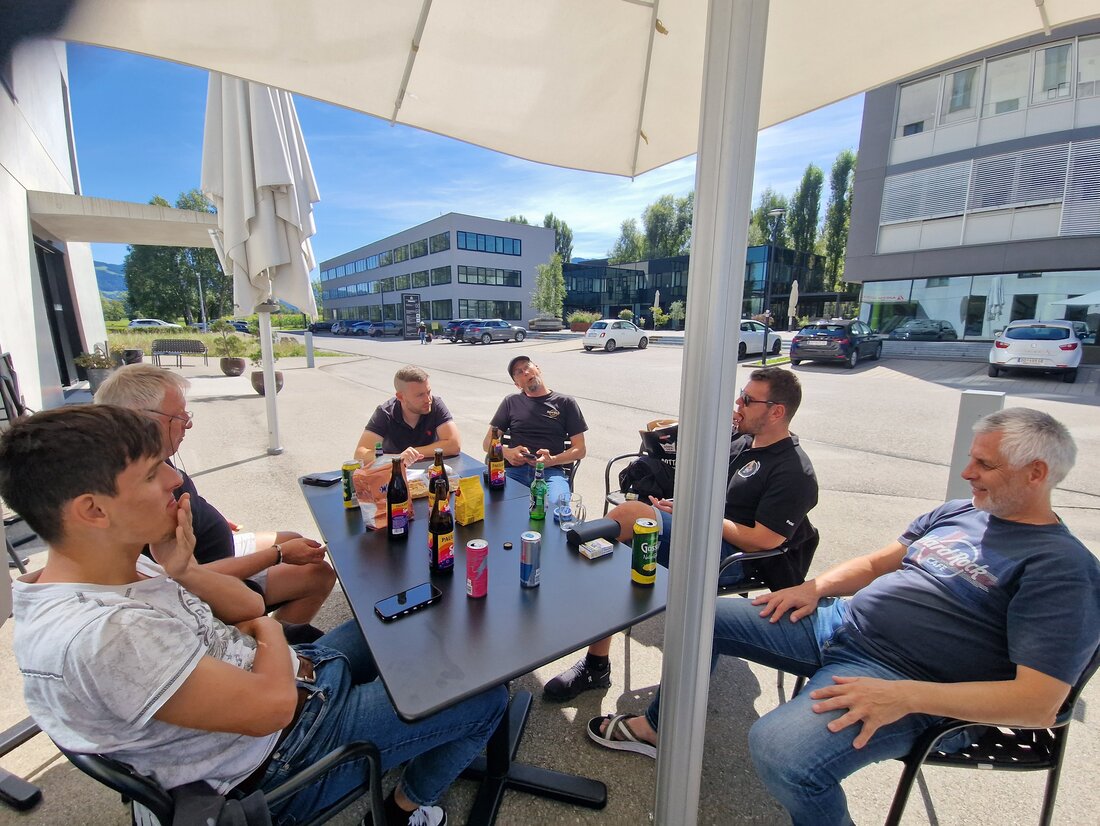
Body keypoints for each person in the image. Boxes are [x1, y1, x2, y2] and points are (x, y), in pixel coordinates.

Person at [587, 407, 1100, 826]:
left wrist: (905, 696)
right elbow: (877, 564)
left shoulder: (1062, 568)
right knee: (702, 617)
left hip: (907, 681)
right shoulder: (961, 513)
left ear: (1036, 473)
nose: (968, 473)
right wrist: (815, 587)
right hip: (838, 624)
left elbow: (1038, 704)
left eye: (985, 465)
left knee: (781, 751)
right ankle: (659, 729)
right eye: (971, 459)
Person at [1, 406, 507, 826]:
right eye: (153, 473)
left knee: (394, 625)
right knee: (486, 696)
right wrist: (266, 631)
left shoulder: (117, 564)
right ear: (92, 510)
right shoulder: (107, 634)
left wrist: (184, 571)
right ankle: (404, 809)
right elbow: (273, 706)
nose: (176, 479)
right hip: (287, 753)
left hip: (295, 680)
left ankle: (406, 724)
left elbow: (245, 606)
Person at [544, 367, 817, 701]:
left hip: (738, 558)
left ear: (776, 412)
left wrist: (697, 516)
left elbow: (764, 540)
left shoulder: (794, 470)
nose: (738, 404)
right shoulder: (742, 443)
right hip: (704, 533)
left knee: (631, 518)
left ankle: (563, 571)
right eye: (740, 396)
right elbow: (713, 496)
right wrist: (684, 504)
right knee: (616, 554)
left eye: (747, 400)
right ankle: (595, 662)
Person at [95, 365, 336, 630]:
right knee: (318, 572)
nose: (188, 423)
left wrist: (207, 517)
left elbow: (184, 503)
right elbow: (179, 576)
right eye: (178, 416)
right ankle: (272, 640)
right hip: (209, 577)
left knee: (292, 538)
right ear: (142, 420)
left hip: (214, 547)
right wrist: (277, 554)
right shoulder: (135, 493)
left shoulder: (149, 463)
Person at [484, 355, 587, 509]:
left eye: (527, 366)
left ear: (537, 369)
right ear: (517, 384)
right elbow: (487, 443)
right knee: (492, 502)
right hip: (514, 472)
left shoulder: (565, 403)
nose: (525, 372)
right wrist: (507, 453)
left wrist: (552, 460)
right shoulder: (511, 402)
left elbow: (580, 449)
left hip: (550, 474)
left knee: (556, 507)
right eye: (519, 372)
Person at [355, 366, 460, 465]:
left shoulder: (435, 404)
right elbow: (360, 454)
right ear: (400, 397)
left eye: (428, 392)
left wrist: (412, 453)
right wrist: (398, 458)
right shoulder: (385, 413)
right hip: (395, 473)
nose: (427, 399)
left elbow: (454, 445)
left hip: (430, 472)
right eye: (420, 395)